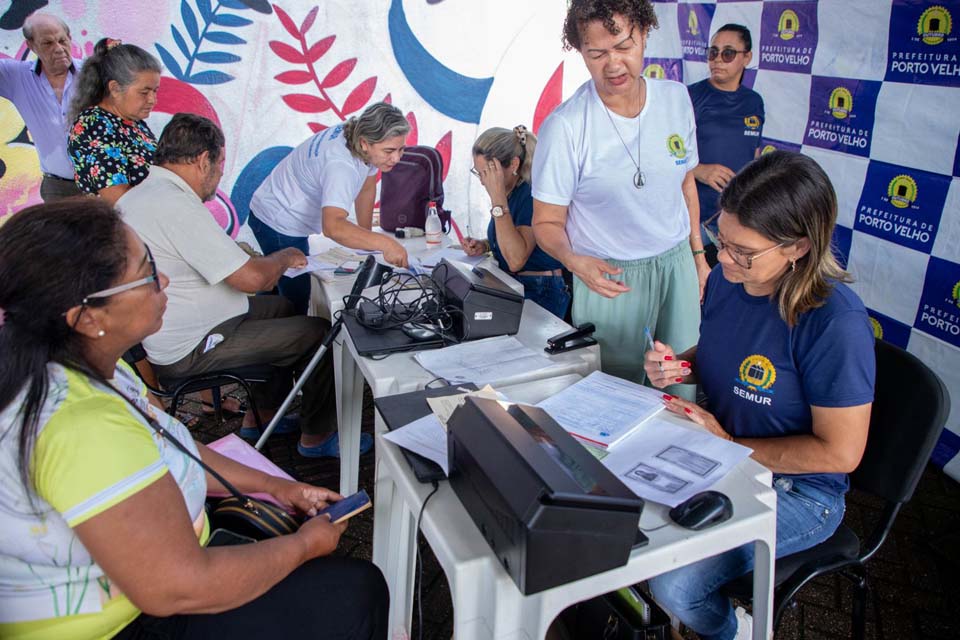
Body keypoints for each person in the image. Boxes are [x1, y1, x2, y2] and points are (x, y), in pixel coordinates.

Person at [0, 199, 388, 639]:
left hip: (152, 591)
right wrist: (302, 546)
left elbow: (168, 444)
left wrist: (279, 487)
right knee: (355, 590)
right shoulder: (81, 425)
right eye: (146, 274)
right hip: (120, 625)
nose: (162, 280)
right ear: (88, 318)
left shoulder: (90, 366)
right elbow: (179, 587)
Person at [643, 151, 875, 640]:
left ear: (797, 248)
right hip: (724, 456)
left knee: (675, 586)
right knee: (628, 526)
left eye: (742, 251)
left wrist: (726, 440)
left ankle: (736, 632)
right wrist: (678, 366)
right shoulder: (733, 279)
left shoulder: (835, 323)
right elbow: (716, 353)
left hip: (800, 492)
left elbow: (842, 452)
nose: (723, 258)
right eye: (720, 240)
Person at [117, 113, 369, 458]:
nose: (219, 177)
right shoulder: (175, 204)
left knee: (281, 308)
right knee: (320, 332)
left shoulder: (145, 193)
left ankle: (265, 416)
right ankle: (318, 436)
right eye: (220, 166)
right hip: (190, 345)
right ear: (204, 160)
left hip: (187, 322)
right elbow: (253, 278)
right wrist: (284, 257)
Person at [532, 0, 709, 394]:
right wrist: (575, 261)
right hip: (608, 276)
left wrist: (697, 257)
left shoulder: (675, 98)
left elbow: (685, 184)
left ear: (645, 34)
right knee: (615, 395)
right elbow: (545, 223)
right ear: (580, 51)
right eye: (597, 54)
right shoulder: (565, 126)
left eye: (624, 47)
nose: (613, 65)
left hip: (676, 264)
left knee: (682, 383)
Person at [249, 101, 412, 314]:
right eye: (389, 150)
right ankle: (285, 343)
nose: (397, 158)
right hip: (279, 220)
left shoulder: (359, 136)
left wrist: (366, 241)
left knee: (274, 284)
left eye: (401, 149)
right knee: (295, 298)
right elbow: (333, 227)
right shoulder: (341, 165)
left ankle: (259, 323)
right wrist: (386, 244)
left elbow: (366, 186)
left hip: (274, 207)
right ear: (365, 143)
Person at [463, 125, 570, 318]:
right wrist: (486, 244)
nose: (482, 181)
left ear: (513, 165)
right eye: (478, 173)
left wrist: (497, 200)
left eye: (487, 173)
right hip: (518, 285)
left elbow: (516, 260)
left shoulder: (530, 195)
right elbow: (514, 237)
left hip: (540, 291)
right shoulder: (511, 193)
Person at [688, 24, 764, 267]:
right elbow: (660, 152)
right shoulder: (689, 96)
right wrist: (699, 170)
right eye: (713, 52)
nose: (718, 60)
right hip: (695, 221)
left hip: (737, 220)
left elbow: (754, 155)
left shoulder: (754, 102)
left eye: (728, 53)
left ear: (747, 57)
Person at [0, 12, 83, 200]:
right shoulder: (16, 77)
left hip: (102, 184)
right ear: (31, 46)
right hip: (57, 187)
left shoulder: (94, 73)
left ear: (70, 38)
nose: (59, 48)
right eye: (47, 43)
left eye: (62, 40)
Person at [68, 38, 160, 205]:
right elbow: (118, 197)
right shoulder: (94, 125)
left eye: (155, 91)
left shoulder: (133, 122)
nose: (153, 100)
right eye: (144, 92)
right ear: (115, 88)